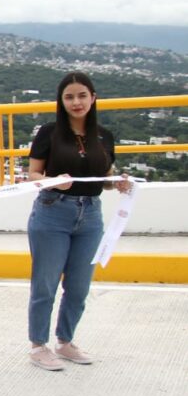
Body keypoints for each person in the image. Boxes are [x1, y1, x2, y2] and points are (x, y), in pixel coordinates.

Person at [24, 72, 129, 371]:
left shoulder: (104, 136)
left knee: (80, 286)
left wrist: (118, 182)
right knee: (45, 284)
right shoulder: (49, 132)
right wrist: (53, 181)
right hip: (52, 212)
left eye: (82, 95)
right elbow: (32, 175)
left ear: (93, 98)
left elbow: (104, 177)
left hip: (91, 215)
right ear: (61, 101)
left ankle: (65, 342)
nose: (76, 102)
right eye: (69, 97)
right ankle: (38, 345)